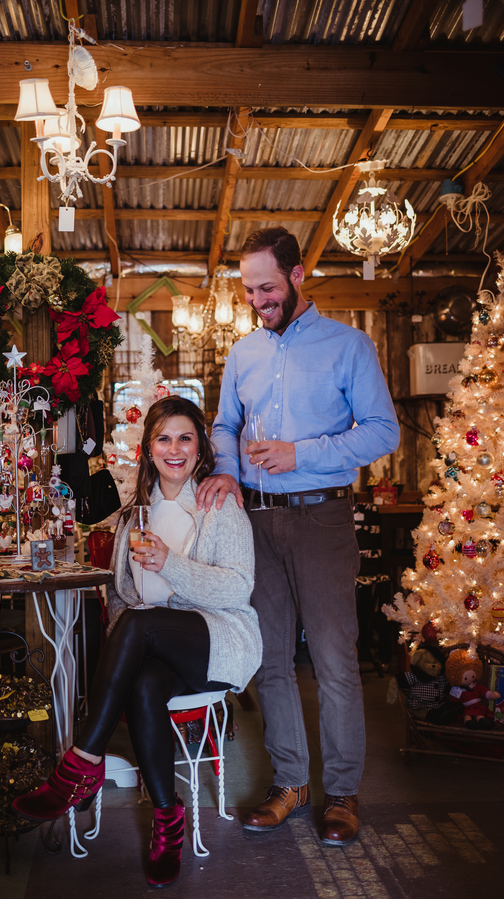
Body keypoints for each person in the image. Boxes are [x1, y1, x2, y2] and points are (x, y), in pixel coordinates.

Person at [197, 227, 400, 846]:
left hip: (322, 517)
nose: (258, 300)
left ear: (298, 274)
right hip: (256, 522)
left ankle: (341, 792)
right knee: (272, 660)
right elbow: (224, 425)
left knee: (336, 660)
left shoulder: (350, 346)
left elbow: (382, 432)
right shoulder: (243, 354)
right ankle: (292, 783)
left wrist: (301, 453)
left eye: (267, 286)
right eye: (249, 290)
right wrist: (229, 473)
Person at [13, 396, 262, 887]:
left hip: (219, 638)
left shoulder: (218, 505)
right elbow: (125, 601)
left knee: (142, 626)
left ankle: (79, 765)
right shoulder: (134, 518)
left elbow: (238, 589)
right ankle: (168, 824)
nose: (175, 449)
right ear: (149, 450)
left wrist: (170, 563)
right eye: (164, 439)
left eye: (185, 438)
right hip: (155, 647)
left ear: (200, 449)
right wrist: (124, 665)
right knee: (145, 682)